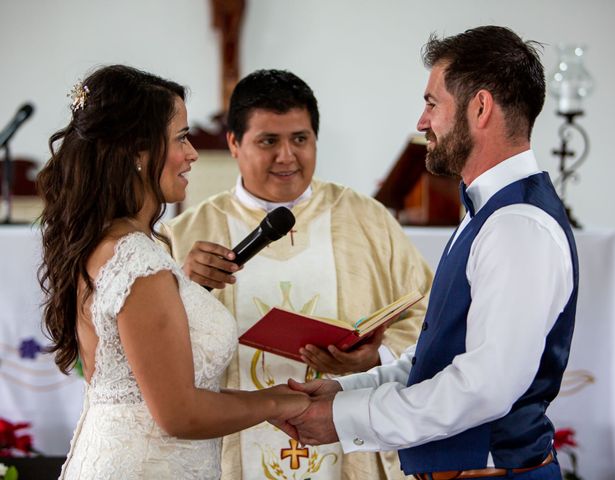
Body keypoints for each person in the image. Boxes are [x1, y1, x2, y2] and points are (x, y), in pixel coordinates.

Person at [283, 25, 579, 480]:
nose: (422, 123)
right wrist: (344, 390)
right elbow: (435, 358)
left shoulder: (517, 225)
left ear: (480, 107)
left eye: (431, 103)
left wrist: (346, 419)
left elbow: (485, 388)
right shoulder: (487, 211)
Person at [36, 65, 309, 480]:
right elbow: (178, 413)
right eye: (181, 137)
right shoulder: (137, 262)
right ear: (138, 152)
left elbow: (136, 392)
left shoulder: (106, 243)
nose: (193, 153)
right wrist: (281, 404)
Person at [160, 69, 433, 479]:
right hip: (231, 449)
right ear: (234, 143)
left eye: (300, 139)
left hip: (346, 439)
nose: (287, 156)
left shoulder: (366, 220)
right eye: (269, 141)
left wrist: (375, 357)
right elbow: (151, 343)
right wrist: (183, 283)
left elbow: (431, 314)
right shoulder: (185, 236)